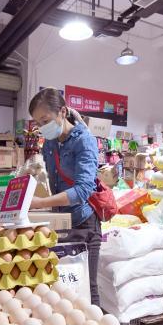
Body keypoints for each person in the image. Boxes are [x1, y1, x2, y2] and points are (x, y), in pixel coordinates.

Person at [28, 88, 100, 233]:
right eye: (38, 124)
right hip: (59, 219)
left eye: (45, 121)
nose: (42, 128)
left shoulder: (84, 141)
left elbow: (83, 190)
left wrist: (41, 203)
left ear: (62, 111)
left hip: (82, 222)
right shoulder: (50, 142)